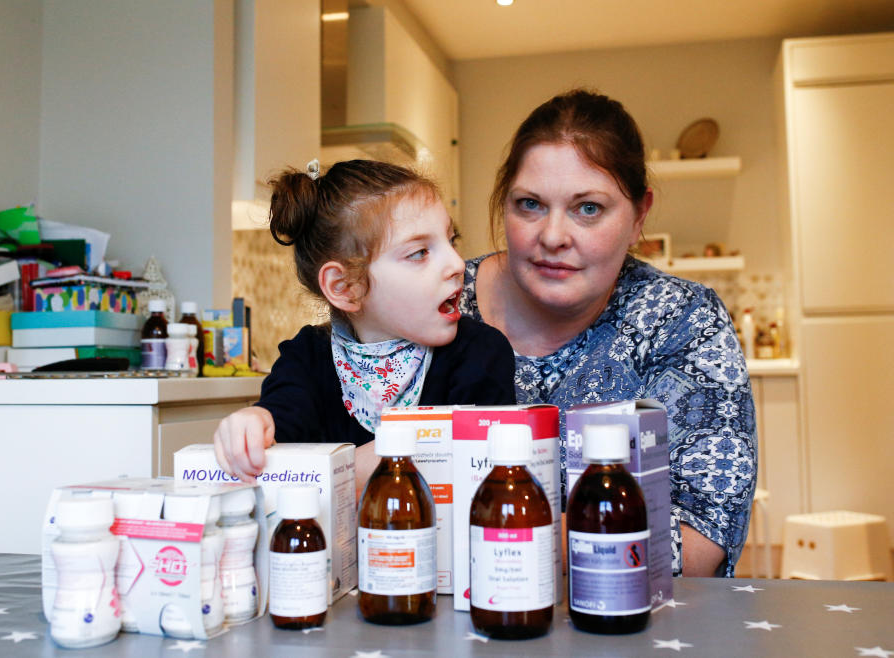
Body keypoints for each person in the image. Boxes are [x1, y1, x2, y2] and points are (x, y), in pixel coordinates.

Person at [459, 89, 757, 577]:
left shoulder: (681, 321)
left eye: (588, 208)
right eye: (530, 204)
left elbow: (703, 538)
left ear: (640, 216)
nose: (553, 235)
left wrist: (507, 544)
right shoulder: (440, 303)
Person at [213, 159, 516, 490]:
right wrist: (255, 422)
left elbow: (463, 463)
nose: (457, 264)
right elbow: (281, 420)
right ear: (346, 288)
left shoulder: (482, 353)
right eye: (419, 253)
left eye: (451, 240)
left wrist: (332, 475)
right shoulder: (306, 359)